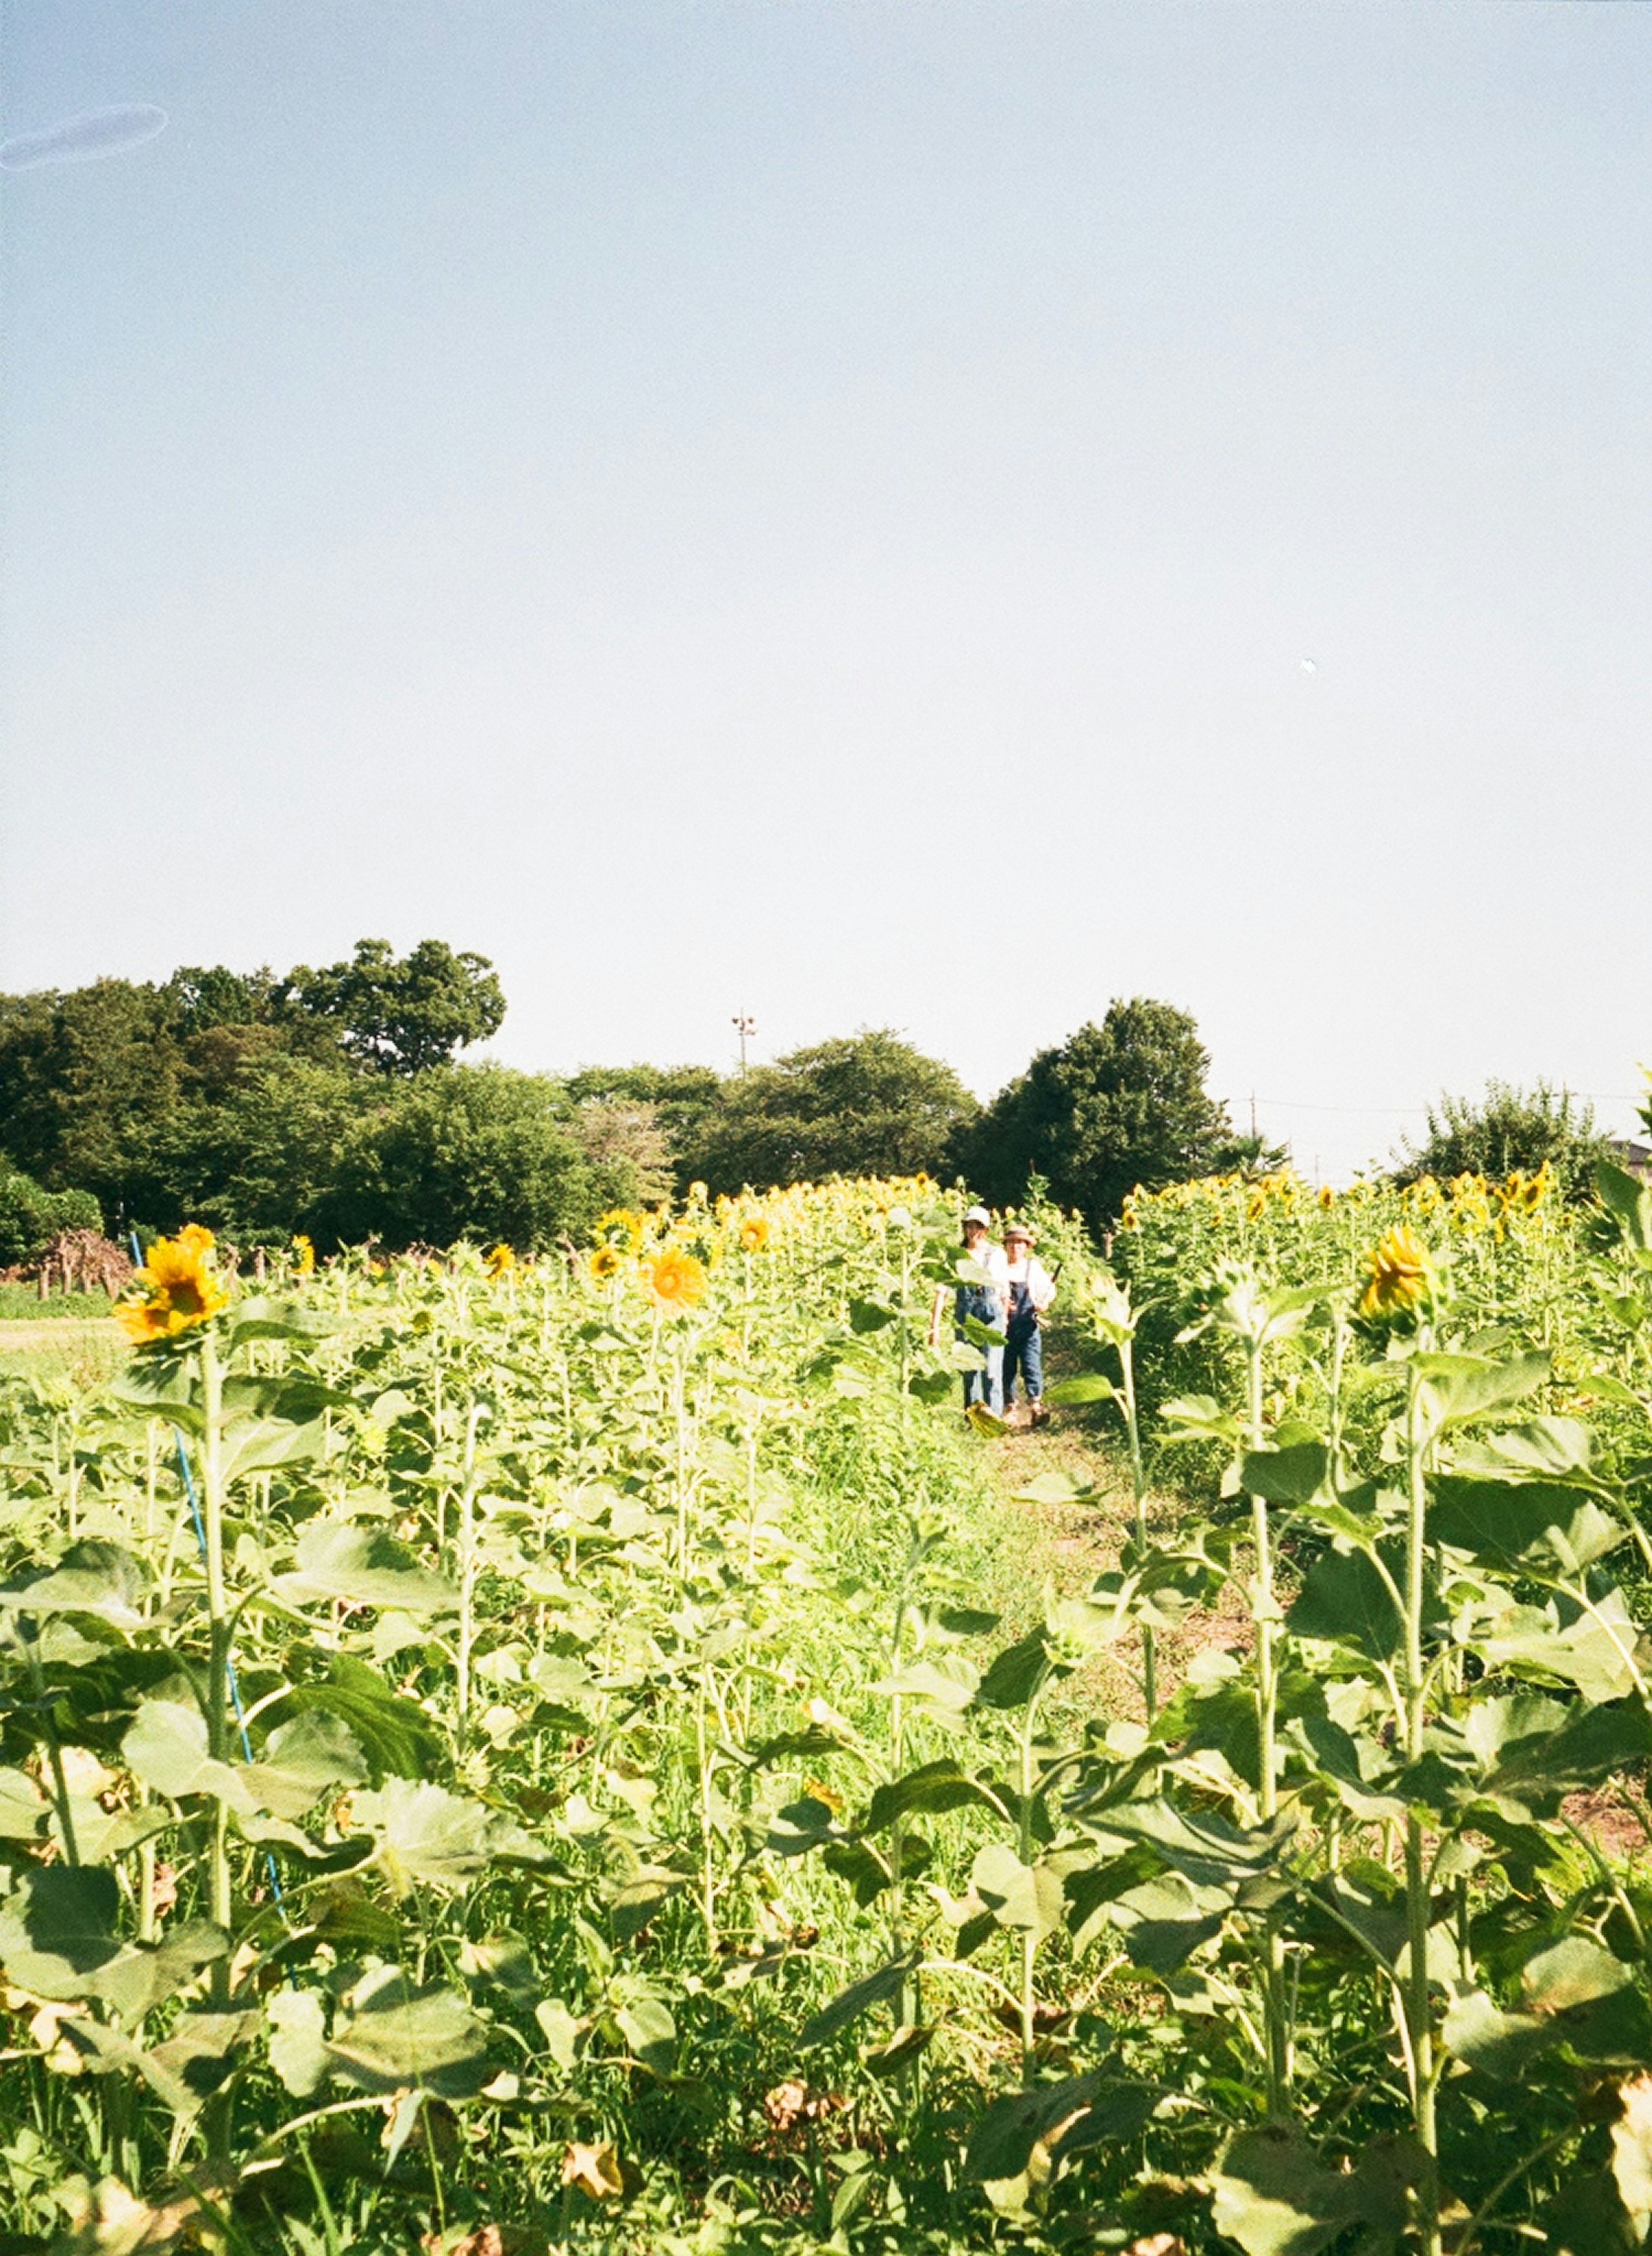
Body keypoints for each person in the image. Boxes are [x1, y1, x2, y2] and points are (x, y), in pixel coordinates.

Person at [955, 1204, 1008, 1419]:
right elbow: (942, 1290)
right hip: (966, 1316)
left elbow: (1004, 1288)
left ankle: (994, 1417)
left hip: (991, 1313)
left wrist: (1005, 1320)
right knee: (969, 1367)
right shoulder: (958, 1255)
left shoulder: (996, 1254)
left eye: (978, 1227)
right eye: (970, 1226)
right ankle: (973, 1417)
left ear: (986, 1231)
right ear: (965, 1228)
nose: (974, 1232)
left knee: (991, 1368)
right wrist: (934, 1327)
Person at [1002, 1222, 1057, 1424]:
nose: (1016, 1247)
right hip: (1005, 1326)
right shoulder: (999, 1268)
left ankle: (1036, 1407)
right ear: (1006, 1246)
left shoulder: (1032, 1268)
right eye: (1012, 1243)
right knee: (1007, 1367)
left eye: (1020, 1243)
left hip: (1028, 1325)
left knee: (1031, 1365)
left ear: (1026, 1247)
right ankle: (1010, 1408)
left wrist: (1044, 1304)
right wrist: (1003, 1304)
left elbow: (1049, 1291)